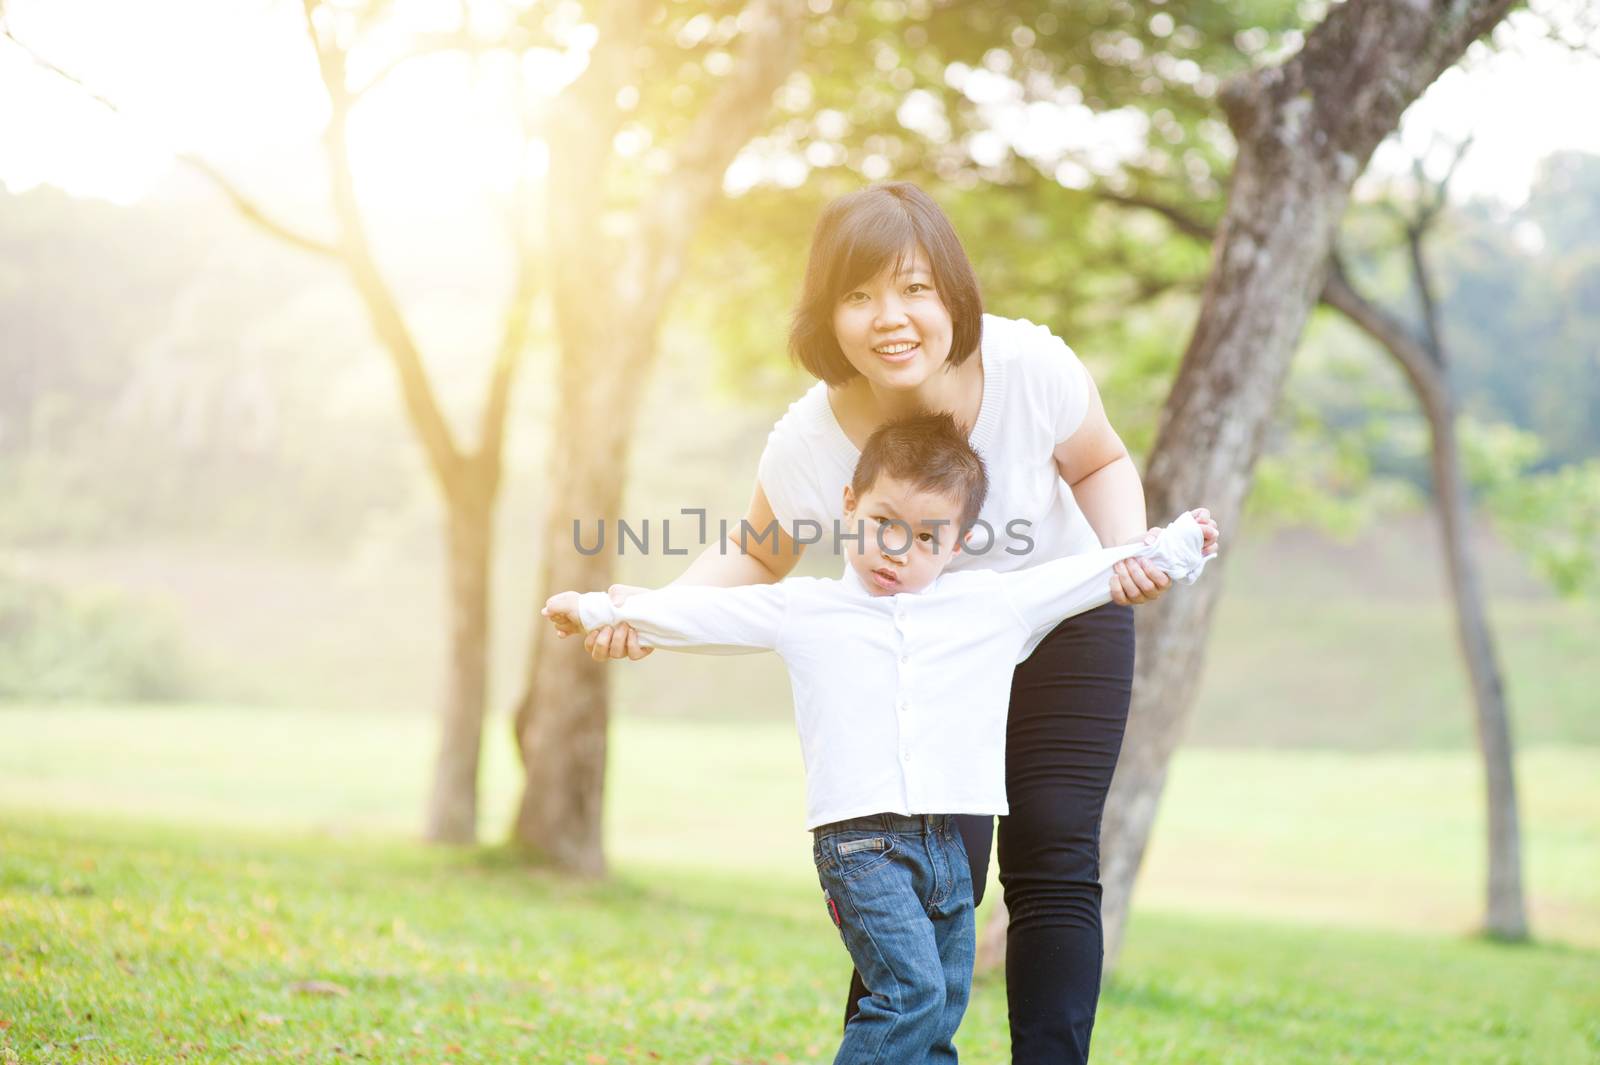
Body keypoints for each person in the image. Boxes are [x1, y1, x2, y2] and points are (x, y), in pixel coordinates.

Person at [582, 182, 1222, 1062]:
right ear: (828, 313)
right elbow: (757, 554)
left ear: (951, 292)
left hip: (1060, 629)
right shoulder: (809, 441)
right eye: (859, 294)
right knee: (914, 871)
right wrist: (649, 613)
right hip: (918, 651)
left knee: (1053, 856)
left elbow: (1101, 460)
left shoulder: (1029, 368)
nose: (892, 316)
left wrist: (1125, 559)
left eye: (915, 287)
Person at [543, 413, 1212, 1064]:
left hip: (947, 843)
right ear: (849, 504)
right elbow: (709, 613)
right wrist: (604, 608)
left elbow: (1084, 574)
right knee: (912, 994)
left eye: (926, 537)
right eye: (884, 523)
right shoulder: (806, 609)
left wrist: (1175, 546)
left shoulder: (990, 605)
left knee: (940, 1009)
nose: (898, 549)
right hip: (860, 846)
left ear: (958, 543)